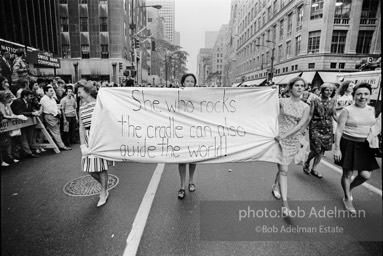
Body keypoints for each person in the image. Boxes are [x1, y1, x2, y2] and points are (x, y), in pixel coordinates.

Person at [334, 83, 380, 214]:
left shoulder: (371, 109)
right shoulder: (347, 110)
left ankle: (349, 189)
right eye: (359, 94)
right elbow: (339, 130)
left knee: (365, 175)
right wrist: (337, 148)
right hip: (348, 143)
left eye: (365, 94)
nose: (362, 96)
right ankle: (347, 197)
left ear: (369, 95)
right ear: (354, 95)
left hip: (365, 145)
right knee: (347, 174)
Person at [271, 77, 310, 217]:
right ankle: (285, 204)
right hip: (278, 138)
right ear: (291, 87)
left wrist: (287, 135)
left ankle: (275, 186)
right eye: (297, 85)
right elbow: (270, 114)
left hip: (292, 139)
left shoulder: (306, 106)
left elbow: (301, 125)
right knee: (284, 169)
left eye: (302, 86)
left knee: (284, 166)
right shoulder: (281, 101)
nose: (300, 88)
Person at [77, 80, 113, 207]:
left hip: (99, 138)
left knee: (101, 167)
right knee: (90, 170)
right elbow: (81, 127)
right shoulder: (81, 107)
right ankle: (105, 185)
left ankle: (103, 192)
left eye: (80, 92)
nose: (78, 95)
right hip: (88, 139)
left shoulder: (100, 104)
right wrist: (82, 145)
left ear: (87, 91)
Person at [303, 83, 337, 178]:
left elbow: (334, 115)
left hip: (328, 128)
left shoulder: (333, 101)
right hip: (315, 127)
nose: (329, 92)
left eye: (331, 90)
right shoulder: (315, 100)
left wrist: (343, 125)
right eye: (327, 90)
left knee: (322, 151)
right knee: (316, 149)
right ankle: (307, 162)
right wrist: (304, 127)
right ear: (322, 90)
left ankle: (314, 169)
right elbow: (310, 115)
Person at [177, 73, 198, 200]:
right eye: (187, 81)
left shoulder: (199, 96)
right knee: (181, 160)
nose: (190, 83)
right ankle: (182, 186)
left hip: (195, 132)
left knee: (193, 158)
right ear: (183, 83)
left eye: (192, 81)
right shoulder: (177, 95)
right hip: (181, 132)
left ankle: (191, 181)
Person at [40, 85, 71, 151]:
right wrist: (57, 113)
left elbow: (56, 107)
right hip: (50, 116)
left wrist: (58, 112)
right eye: (51, 91)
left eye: (52, 91)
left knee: (56, 131)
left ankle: (60, 145)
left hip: (54, 116)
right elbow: (51, 109)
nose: (52, 92)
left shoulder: (52, 98)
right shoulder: (44, 99)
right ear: (46, 92)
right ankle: (61, 146)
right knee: (56, 132)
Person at [0, 91, 28, 166]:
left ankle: (10, 158)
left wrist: (18, 116)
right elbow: (5, 115)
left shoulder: (8, 104)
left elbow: (11, 114)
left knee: (9, 141)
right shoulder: (1, 104)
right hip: (3, 125)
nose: (11, 100)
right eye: (9, 98)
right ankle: (2, 160)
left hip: (8, 125)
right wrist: (16, 117)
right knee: (2, 143)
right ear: (4, 98)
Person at [11, 90, 41, 158]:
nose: (31, 97)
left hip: (27, 122)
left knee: (28, 136)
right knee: (23, 138)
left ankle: (28, 151)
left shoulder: (28, 102)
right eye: (30, 96)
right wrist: (32, 113)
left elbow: (30, 110)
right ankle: (28, 153)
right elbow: (18, 112)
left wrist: (34, 112)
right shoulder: (18, 101)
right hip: (18, 122)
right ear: (25, 96)